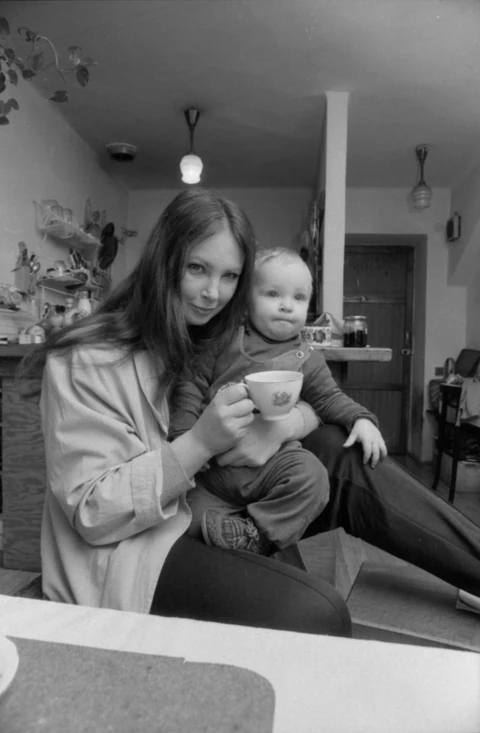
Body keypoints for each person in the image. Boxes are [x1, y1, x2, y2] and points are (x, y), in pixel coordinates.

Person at [19, 189, 352, 638]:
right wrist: (200, 443)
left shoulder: (211, 339)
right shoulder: (86, 359)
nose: (213, 294)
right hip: (127, 552)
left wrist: (296, 420)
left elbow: (309, 394)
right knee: (319, 611)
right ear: (164, 259)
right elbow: (95, 511)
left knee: (339, 449)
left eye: (230, 276)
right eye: (197, 268)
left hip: (202, 512)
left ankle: (455, 564)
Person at [170, 247, 386, 556]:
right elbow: (190, 387)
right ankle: (231, 537)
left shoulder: (308, 358)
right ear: (246, 300)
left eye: (299, 298)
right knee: (184, 523)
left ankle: (257, 535)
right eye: (273, 294)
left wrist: (361, 419)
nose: (287, 305)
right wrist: (183, 437)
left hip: (270, 468)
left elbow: (329, 398)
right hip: (209, 471)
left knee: (312, 477)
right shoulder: (222, 340)